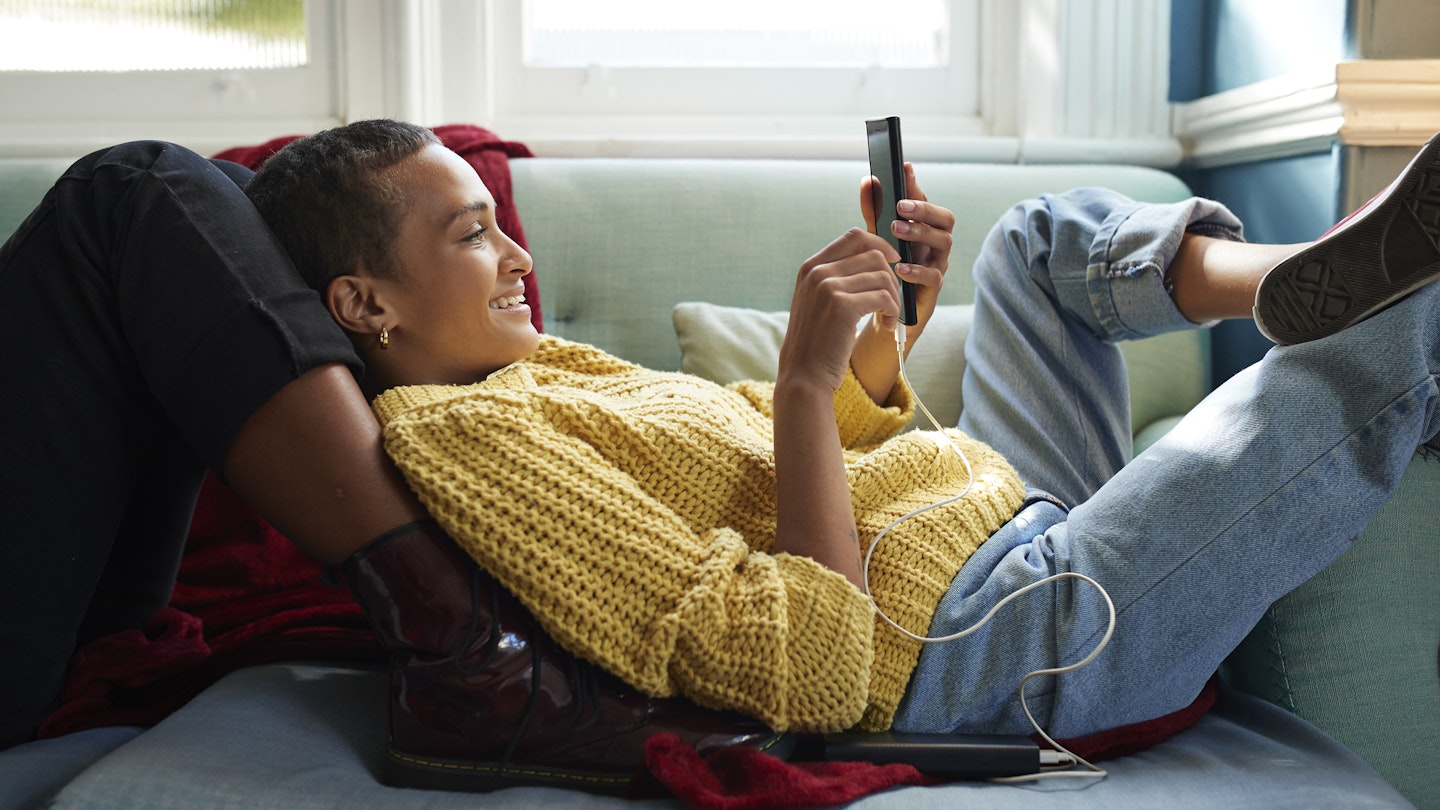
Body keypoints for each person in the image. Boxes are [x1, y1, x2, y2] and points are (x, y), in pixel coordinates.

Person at [3, 119, 1437, 795]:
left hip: (1004, 519)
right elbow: (809, 663)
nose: (515, 252)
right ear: (363, 310)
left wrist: (877, 350)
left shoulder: (541, 372)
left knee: (1040, 243)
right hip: (1006, 641)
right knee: (1392, 350)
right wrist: (803, 389)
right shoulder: (462, 437)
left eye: (498, 225)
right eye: (468, 234)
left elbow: (866, 466)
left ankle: (1304, 267)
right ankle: (1376, 310)